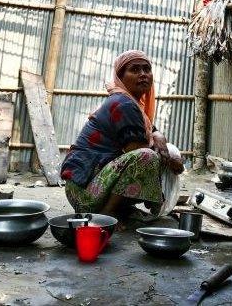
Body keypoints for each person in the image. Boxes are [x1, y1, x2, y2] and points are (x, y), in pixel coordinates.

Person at [60, 50, 184, 217]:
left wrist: (160, 138)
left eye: (147, 69)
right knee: (147, 157)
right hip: (84, 193)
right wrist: (169, 158)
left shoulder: (131, 102)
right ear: (120, 77)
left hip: (93, 184)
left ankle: (121, 209)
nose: (143, 74)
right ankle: (107, 214)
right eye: (135, 70)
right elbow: (138, 151)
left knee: (164, 150)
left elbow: (152, 131)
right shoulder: (122, 104)